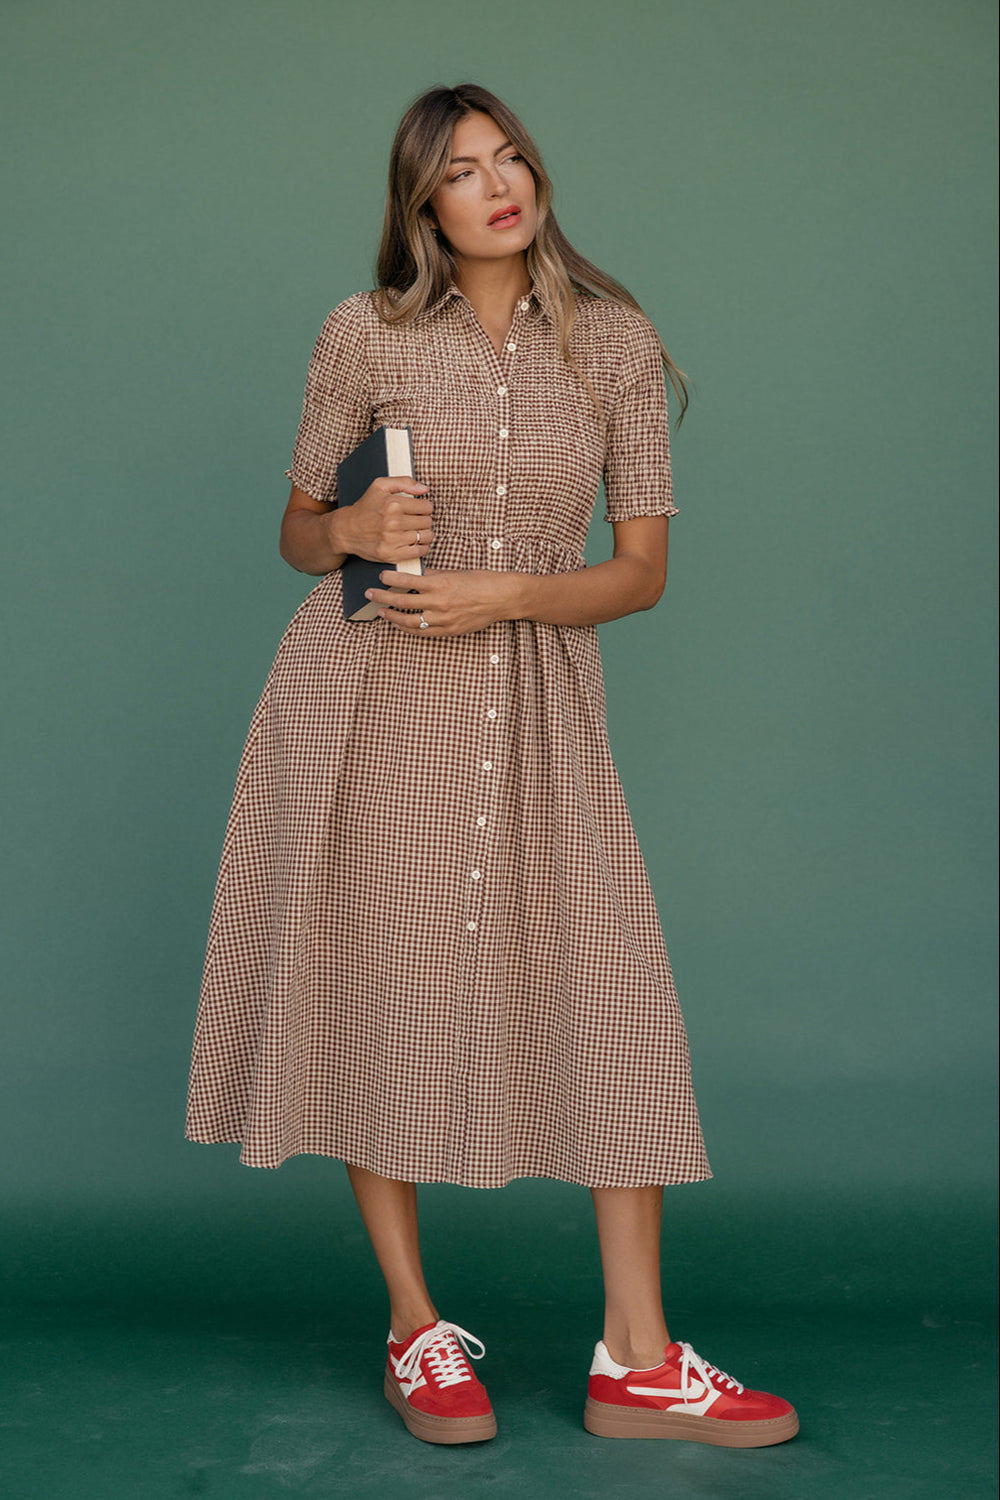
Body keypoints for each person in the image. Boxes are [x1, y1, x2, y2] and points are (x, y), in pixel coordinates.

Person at [186, 82, 797, 1450]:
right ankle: (416, 1327)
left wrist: (498, 594)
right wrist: (348, 528)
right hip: (366, 699)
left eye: (512, 157)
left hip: (534, 704)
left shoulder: (618, 345)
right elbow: (297, 532)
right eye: (462, 171)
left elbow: (638, 575)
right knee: (380, 986)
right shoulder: (364, 335)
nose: (499, 185)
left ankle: (636, 1362)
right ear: (423, 207)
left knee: (614, 994)